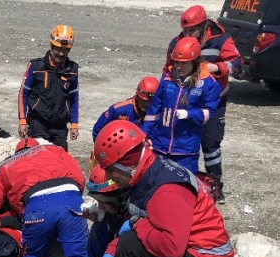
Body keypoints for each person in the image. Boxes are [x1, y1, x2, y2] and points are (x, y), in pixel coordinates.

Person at [88, 121, 234, 257]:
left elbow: (170, 248)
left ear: (123, 165)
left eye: (111, 171)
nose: (111, 178)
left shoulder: (166, 190)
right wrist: (110, 251)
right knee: (130, 249)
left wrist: (137, 226)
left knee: (130, 247)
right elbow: (137, 219)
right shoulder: (148, 172)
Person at [164, 4, 242, 202]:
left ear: (203, 25)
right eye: (185, 30)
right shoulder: (177, 43)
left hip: (213, 100)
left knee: (210, 143)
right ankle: (182, 183)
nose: (188, 34)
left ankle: (215, 184)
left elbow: (238, 65)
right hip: (186, 99)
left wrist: (218, 66)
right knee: (183, 140)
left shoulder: (220, 39)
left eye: (192, 30)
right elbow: (168, 69)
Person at [141, 36, 221, 174]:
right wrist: (142, 136)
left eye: (183, 63)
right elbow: (153, 112)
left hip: (186, 151)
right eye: (176, 62)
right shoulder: (167, 80)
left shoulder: (208, 83)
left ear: (194, 61)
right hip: (160, 146)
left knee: (184, 188)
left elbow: (209, 113)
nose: (179, 67)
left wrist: (189, 115)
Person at [17, 25, 79, 151]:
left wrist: (74, 124)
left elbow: (74, 98)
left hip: (60, 127)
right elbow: (23, 94)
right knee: (39, 161)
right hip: (38, 123)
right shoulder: (35, 66)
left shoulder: (72, 70)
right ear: (52, 46)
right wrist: (22, 121)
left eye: (66, 50)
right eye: (59, 48)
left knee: (60, 163)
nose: (61, 53)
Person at [80, 165, 131, 257]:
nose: (100, 206)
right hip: (117, 246)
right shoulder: (117, 208)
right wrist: (101, 216)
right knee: (99, 228)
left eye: (103, 202)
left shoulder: (135, 213)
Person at [90, 76, 159, 148]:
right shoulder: (118, 110)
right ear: (137, 96)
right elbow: (98, 129)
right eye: (143, 102)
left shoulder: (158, 114)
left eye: (149, 102)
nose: (146, 105)